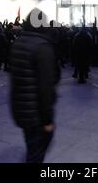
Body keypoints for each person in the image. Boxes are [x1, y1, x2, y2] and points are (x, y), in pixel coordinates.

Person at [8, 9, 60, 163]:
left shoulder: (18, 42)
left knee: (32, 148)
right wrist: (47, 120)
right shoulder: (42, 47)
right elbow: (45, 88)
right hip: (36, 113)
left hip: (20, 108)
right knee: (36, 154)